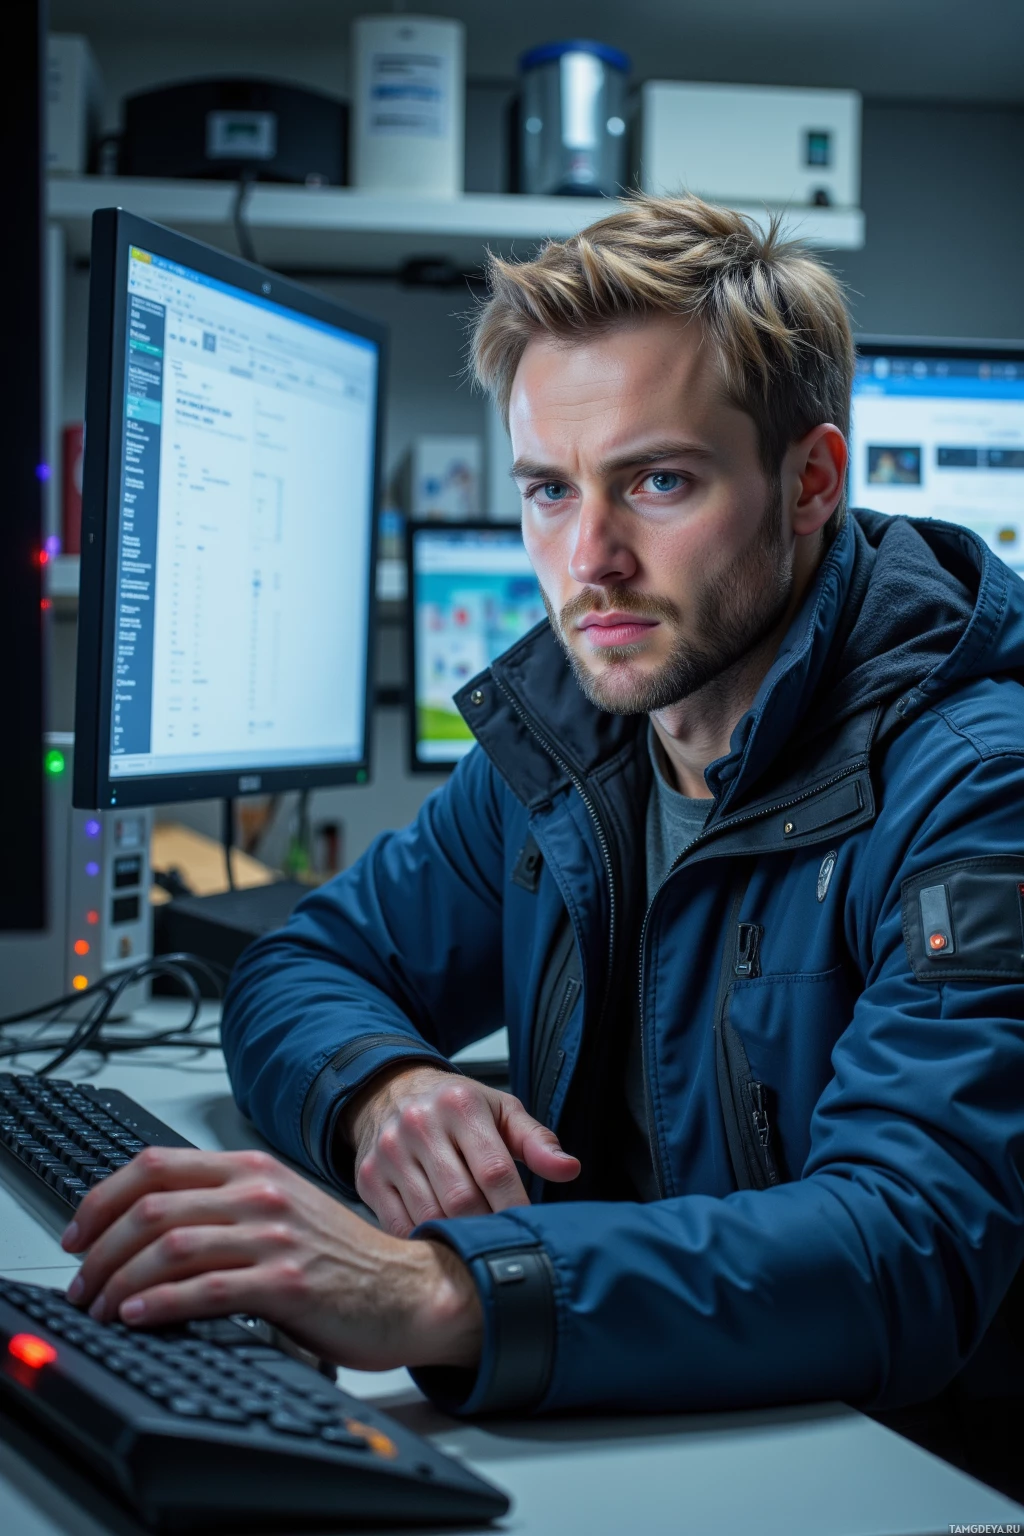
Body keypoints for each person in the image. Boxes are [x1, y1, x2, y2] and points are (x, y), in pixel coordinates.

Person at [63, 196, 1024, 1485]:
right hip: (656, 1413)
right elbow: (304, 965)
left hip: (899, 1471)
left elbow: (905, 1245)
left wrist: (433, 1289)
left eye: (659, 481)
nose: (589, 561)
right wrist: (379, 1091)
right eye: (549, 491)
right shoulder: (576, 738)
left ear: (810, 482)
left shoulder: (977, 785)